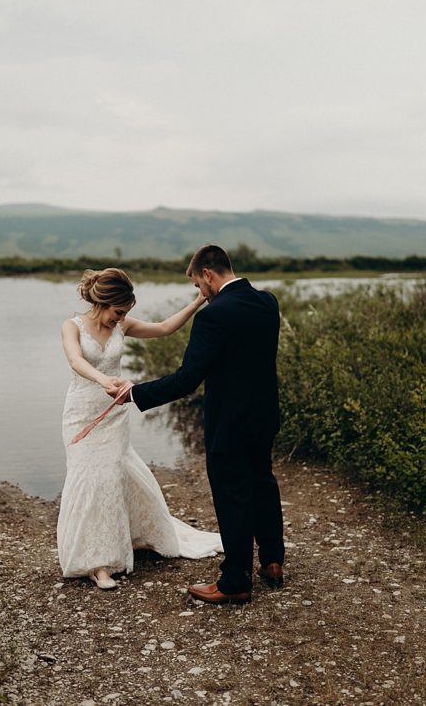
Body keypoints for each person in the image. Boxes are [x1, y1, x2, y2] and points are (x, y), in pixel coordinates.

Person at [108, 245, 285, 605]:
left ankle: (235, 580)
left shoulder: (213, 316)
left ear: (207, 273)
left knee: (232, 493)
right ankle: (272, 560)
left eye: (196, 285)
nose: (199, 293)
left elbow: (187, 379)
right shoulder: (268, 303)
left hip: (229, 422)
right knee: (262, 481)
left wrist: (135, 394)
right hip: (265, 414)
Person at [58, 267, 221, 590]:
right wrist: (104, 379)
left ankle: (131, 536)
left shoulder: (122, 324)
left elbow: (163, 329)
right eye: (117, 313)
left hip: (115, 413)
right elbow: (76, 361)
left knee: (115, 475)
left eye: (125, 314)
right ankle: (97, 563)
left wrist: (197, 303)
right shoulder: (71, 326)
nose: (119, 320)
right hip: (80, 413)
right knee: (91, 480)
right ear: (103, 302)